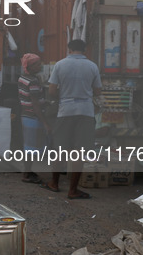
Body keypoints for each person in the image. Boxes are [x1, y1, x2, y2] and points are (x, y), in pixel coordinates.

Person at [41, 39, 102, 200]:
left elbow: (52, 92)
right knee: (79, 152)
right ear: (84, 49)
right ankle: (73, 190)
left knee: (60, 150)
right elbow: (97, 91)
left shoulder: (60, 65)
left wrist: (66, 95)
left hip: (65, 111)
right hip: (86, 112)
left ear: (69, 49)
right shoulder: (92, 66)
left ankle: (54, 183)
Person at [18, 53, 51, 184]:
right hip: (33, 117)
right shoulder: (33, 81)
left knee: (28, 146)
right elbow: (35, 104)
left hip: (25, 115)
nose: (40, 66)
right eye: (37, 64)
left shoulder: (23, 78)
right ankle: (26, 173)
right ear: (30, 67)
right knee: (31, 148)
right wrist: (45, 123)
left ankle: (27, 171)